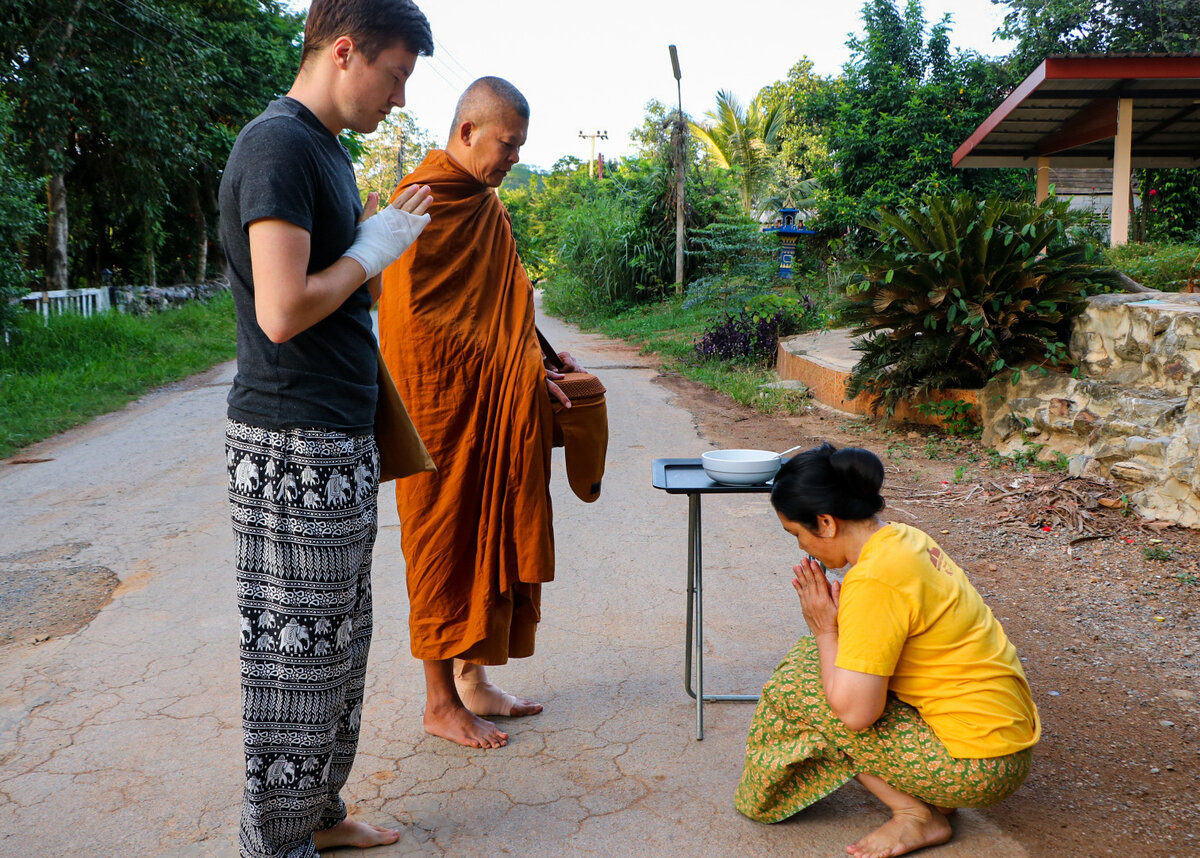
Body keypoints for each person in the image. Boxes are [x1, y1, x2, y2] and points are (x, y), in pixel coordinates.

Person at [218, 2, 434, 855]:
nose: (400, 98)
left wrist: (371, 250)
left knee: (339, 652)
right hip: (290, 444)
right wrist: (373, 251)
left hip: (335, 437)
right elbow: (281, 311)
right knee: (293, 666)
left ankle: (317, 814)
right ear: (346, 51)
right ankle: (274, 845)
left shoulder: (325, 152)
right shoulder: (276, 146)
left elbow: (333, 289)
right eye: (396, 75)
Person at [379, 77, 583, 750]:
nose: (513, 159)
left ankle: (473, 678)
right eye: (507, 144)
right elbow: (417, 323)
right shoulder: (422, 201)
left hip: (491, 400)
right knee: (441, 543)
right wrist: (513, 367)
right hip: (434, 410)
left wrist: (542, 364)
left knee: (491, 535)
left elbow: (507, 306)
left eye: (520, 148)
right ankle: (439, 702)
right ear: (468, 131)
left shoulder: (487, 209)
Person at [736, 443, 1040, 858]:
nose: (802, 548)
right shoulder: (905, 539)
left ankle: (916, 813)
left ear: (825, 523)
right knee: (819, 661)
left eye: (797, 534)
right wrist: (841, 629)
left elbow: (856, 716)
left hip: (977, 768)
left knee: (799, 685)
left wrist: (826, 630)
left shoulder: (873, 580)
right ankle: (930, 795)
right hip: (1006, 739)